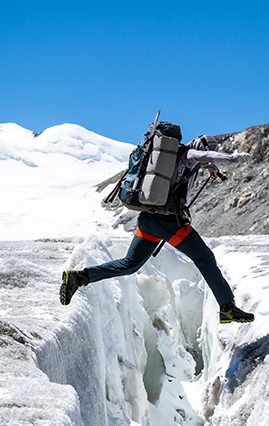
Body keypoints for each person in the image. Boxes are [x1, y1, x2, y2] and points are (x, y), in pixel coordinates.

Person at [60, 133, 254, 324]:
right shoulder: (189, 156)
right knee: (205, 258)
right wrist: (233, 158)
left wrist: (212, 166)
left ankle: (79, 277)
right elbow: (202, 156)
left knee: (130, 264)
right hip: (169, 222)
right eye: (208, 155)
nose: (204, 163)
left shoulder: (176, 157)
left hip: (148, 219)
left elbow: (204, 159)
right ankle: (227, 308)